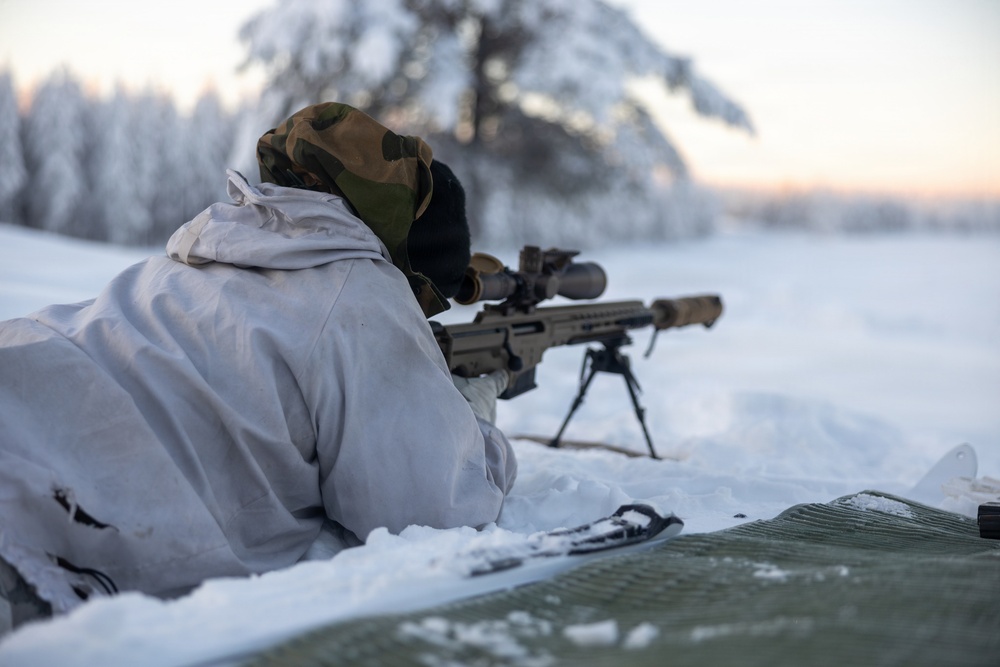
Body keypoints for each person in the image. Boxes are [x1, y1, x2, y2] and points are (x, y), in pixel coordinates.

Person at [0, 102, 516, 633]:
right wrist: (472, 427)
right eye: (424, 301)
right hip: (42, 523)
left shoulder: (206, 248)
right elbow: (433, 513)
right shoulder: (361, 291)